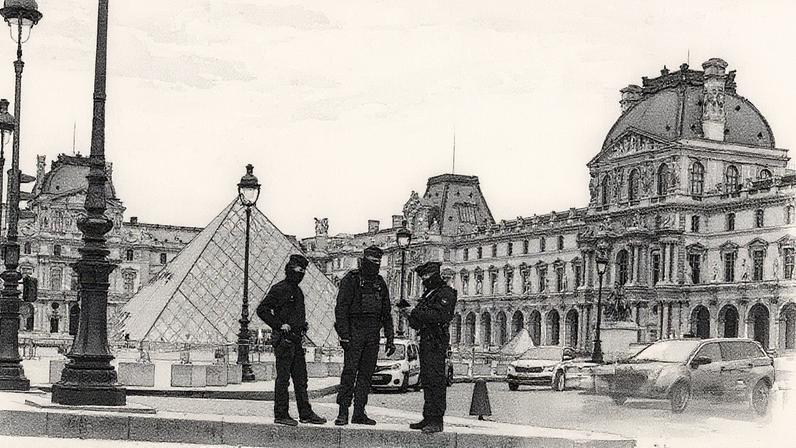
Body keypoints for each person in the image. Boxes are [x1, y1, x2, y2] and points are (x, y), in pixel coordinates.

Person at [257, 254, 327, 426]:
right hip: (284, 341)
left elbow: (294, 314)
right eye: (299, 269)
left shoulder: (298, 290)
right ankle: (281, 414)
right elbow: (262, 310)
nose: (301, 273)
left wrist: (302, 325)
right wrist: (279, 325)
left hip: (296, 340)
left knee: (301, 379)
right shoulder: (279, 288)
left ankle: (305, 413)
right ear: (290, 269)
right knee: (283, 379)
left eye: (303, 270)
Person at [334, 245, 395, 426]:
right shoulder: (351, 280)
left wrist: (390, 338)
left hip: (372, 333)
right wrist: (344, 335)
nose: (375, 265)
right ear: (364, 260)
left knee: (366, 375)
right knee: (349, 373)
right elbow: (341, 309)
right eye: (372, 261)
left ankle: (359, 411)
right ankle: (343, 411)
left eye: (378, 262)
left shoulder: (380, 283)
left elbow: (386, 312)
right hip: (355, 331)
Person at [408, 261, 457, 434]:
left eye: (427, 276)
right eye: (423, 277)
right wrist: (410, 314)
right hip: (426, 340)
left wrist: (415, 313)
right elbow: (416, 322)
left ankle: (437, 420)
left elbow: (440, 316)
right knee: (427, 380)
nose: (424, 280)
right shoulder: (429, 294)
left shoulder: (446, 293)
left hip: (436, 340)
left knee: (436, 380)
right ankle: (428, 416)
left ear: (435, 275)